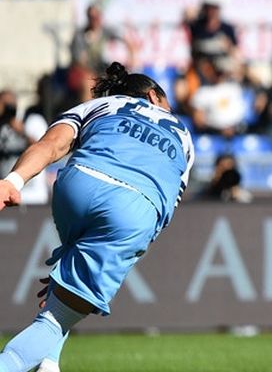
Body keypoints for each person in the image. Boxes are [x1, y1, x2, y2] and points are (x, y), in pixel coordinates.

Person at [0, 62, 194, 372]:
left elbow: (51, 145)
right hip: (134, 205)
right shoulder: (183, 137)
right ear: (154, 96)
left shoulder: (102, 104)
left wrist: (13, 181)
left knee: (59, 300)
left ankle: (49, 365)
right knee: (56, 319)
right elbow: (165, 206)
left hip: (78, 183)